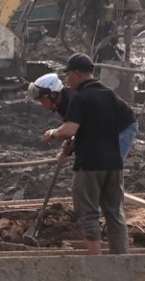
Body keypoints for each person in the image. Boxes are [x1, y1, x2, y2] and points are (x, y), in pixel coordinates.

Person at [43, 53, 137, 255]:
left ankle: (97, 265)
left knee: (89, 215)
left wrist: (53, 133)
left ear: (77, 74)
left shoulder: (80, 98)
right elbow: (104, 127)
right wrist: (77, 142)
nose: (67, 81)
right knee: (115, 214)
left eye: (68, 76)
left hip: (90, 165)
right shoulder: (109, 94)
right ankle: (122, 263)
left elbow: (68, 130)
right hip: (114, 164)